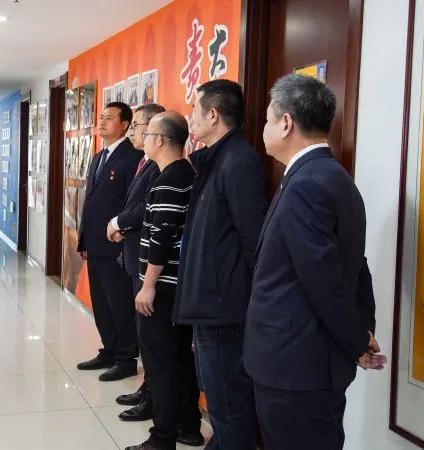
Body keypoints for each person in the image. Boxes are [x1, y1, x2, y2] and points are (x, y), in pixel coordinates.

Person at [244, 74, 385, 450]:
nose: (264, 128)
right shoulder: (334, 178)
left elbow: (326, 282)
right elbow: (356, 267)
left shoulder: (306, 183)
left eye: (268, 119)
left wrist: (357, 340)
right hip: (309, 361)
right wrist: (361, 333)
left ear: (286, 123)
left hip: (295, 367)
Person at [173, 79, 267, 450]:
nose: (190, 118)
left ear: (213, 115)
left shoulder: (239, 162)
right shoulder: (214, 160)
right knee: (219, 399)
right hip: (208, 306)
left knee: (230, 406)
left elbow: (254, 242)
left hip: (225, 309)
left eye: (194, 111)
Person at [125, 111, 200, 450]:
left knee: (161, 364)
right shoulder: (182, 173)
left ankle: (163, 437)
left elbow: (162, 237)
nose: (142, 138)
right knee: (180, 360)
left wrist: (148, 285)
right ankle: (187, 425)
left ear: (161, 139)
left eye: (147, 132)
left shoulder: (171, 179)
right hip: (176, 287)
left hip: (163, 288)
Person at [106, 104, 164, 422]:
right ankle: (147, 388)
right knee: (144, 332)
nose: (132, 132)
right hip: (133, 255)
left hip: (149, 262)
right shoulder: (143, 161)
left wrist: (118, 223)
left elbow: (145, 208)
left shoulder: (160, 167)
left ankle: (154, 398)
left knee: (152, 336)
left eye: (138, 125)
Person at [77, 102, 143, 381]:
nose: (102, 122)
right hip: (95, 244)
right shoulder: (98, 156)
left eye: (110, 118)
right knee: (101, 304)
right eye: (101, 117)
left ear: (125, 125)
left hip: (117, 245)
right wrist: (83, 240)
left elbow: (134, 203)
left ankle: (126, 358)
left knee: (120, 304)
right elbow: (90, 203)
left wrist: (122, 232)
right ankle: (109, 350)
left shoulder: (133, 157)